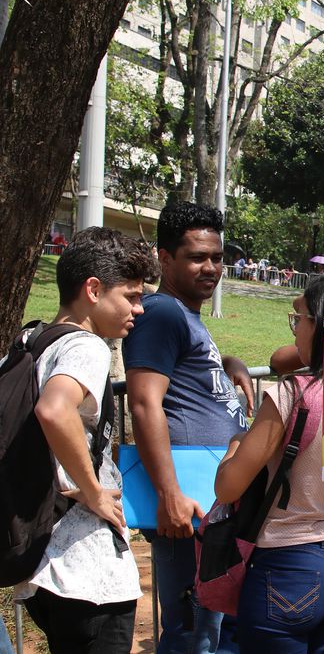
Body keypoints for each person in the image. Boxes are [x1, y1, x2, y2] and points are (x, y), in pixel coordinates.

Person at [214, 275, 324, 652]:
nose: (295, 332)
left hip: (286, 568)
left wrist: (235, 444)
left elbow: (229, 486)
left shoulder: (291, 394)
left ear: (323, 324)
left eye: (300, 319)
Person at [13, 228, 157, 653]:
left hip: (44, 564)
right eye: (130, 296)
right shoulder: (86, 347)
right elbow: (54, 410)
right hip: (86, 572)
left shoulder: (33, 339)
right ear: (93, 289)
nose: (139, 308)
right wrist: (94, 493)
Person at [123, 202, 254, 654]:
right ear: (164, 258)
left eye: (217, 257)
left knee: (211, 627)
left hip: (211, 498)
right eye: (197, 257)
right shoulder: (161, 312)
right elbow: (144, 404)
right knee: (191, 632)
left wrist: (228, 362)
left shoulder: (186, 315)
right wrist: (169, 495)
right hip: (187, 502)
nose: (211, 268)